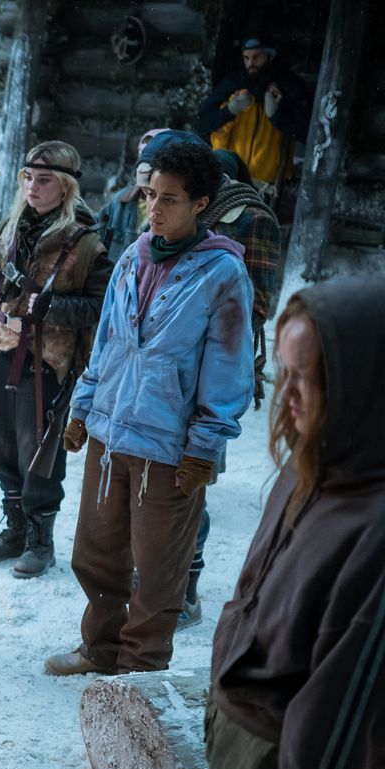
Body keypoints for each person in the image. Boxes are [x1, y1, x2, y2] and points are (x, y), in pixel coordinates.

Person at [46, 141, 254, 675]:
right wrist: (82, 409)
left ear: (201, 203)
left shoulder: (222, 275)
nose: (154, 209)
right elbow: (108, 345)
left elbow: (228, 370)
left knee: (158, 569)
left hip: (168, 447)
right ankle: (101, 651)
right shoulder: (135, 255)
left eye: (169, 199)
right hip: (109, 435)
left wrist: (204, 448)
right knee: (94, 555)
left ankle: (140, 673)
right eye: (149, 195)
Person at [207, 278, 385, 769]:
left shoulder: (375, 532)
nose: (285, 398)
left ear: (363, 385)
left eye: (307, 378)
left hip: (291, 768)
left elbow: (341, 727)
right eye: (284, 372)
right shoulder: (312, 462)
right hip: (241, 740)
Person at [0, 141, 112, 579]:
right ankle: (17, 529)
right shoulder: (9, 228)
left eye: (43, 180)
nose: (32, 186)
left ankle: (41, 540)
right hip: (2, 351)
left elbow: (99, 307)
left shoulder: (85, 243)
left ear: (64, 188)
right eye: (27, 177)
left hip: (48, 362)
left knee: (38, 451)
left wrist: (48, 308)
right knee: (2, 445)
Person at [180, 148, 283, 629]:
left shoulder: (254, 219)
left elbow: (258, 299)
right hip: (173, 360)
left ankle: (186, 585)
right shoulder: (186, 207)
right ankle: (156, 576)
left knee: (192, 476)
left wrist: (208, 314)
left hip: (216, 362)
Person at [194, 36, 311, 188]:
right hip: (231, 177)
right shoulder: (234, 84)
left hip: (269, 183)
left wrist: (275, 116)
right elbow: (201, 122)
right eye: (246, 58)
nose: (250, 63)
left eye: (256, 57)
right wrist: (229, 111)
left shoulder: (287, 86)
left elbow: (305, 132)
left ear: (269, 56)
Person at [98, 127, 167, 263]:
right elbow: (98, 239)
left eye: (156, 168)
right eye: (144, 167)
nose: (149, 175)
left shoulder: (177, 210)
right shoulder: (120, 201)